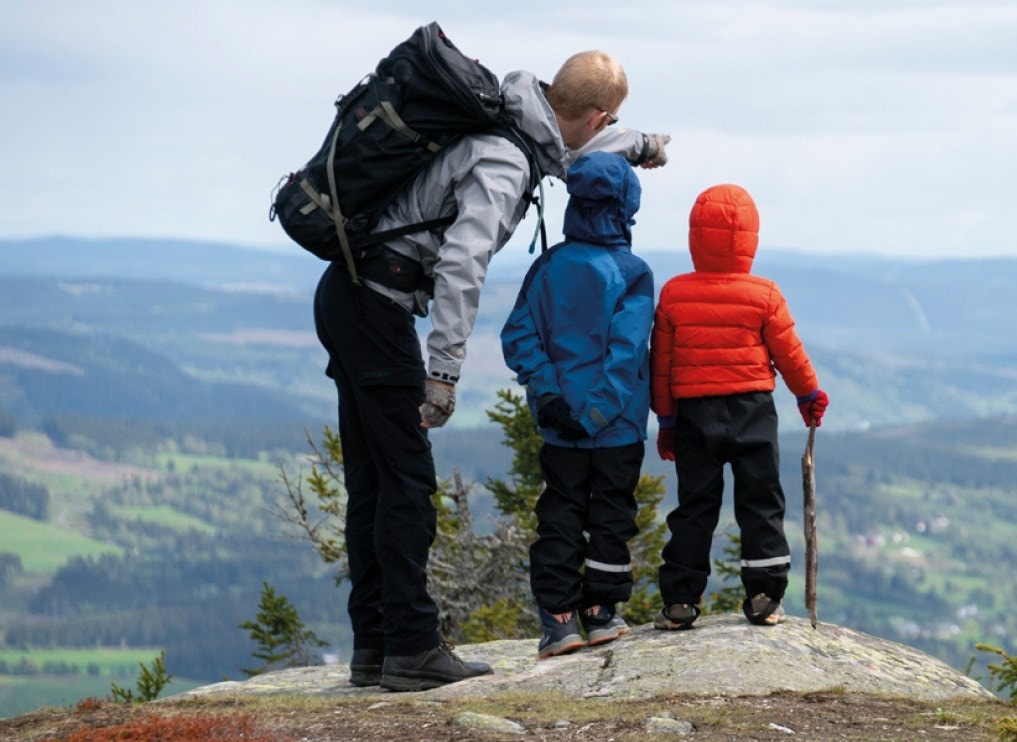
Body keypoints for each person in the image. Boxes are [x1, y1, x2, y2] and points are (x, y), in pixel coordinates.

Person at [313, 50, 670, 692]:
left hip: (349, 292)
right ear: (597, 115)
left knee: (372, 481)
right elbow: (461, 263)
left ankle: (376, 647)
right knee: (406, 486)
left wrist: (640, 143)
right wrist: (443, 371)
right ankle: (414, 648)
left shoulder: (521, 117)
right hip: (378, 308)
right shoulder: (507, 161)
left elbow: (577, 145)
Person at [650, 183, 829, 630]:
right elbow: (789, 352)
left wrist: (667, 420)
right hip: (753, 410)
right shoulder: (765, 294)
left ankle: (680, 601)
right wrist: (808, 395)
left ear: (695, 236)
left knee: (694, 506)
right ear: (751, 239)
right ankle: (765, 596)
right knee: (761, 501)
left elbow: (661, 364)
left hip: (694, 414)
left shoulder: (674, 293)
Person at [501, 151, 653, 659]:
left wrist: (547, 393)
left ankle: (559, 621)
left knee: (561, 513)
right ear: (625, 206)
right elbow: (626, 354)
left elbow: (518, 334)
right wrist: (595, 414)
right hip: (616, 430)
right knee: (611, 515)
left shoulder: (547, 266)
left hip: (559, 427)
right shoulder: (632, 272)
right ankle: (600, 614)